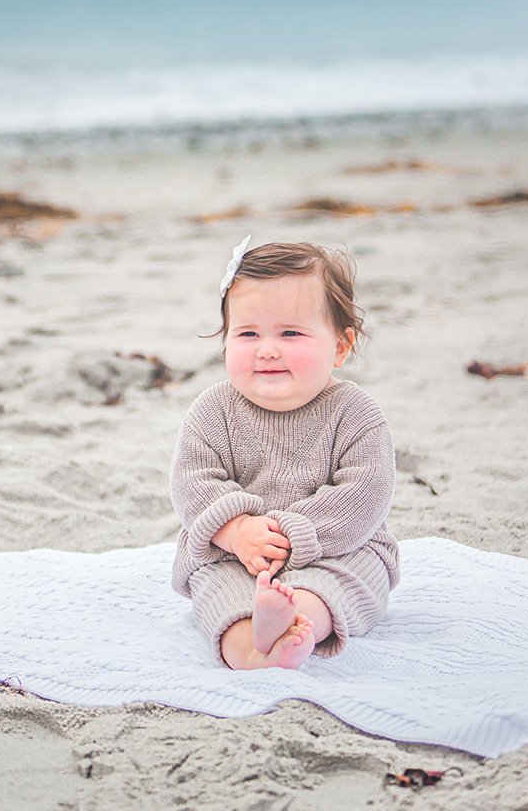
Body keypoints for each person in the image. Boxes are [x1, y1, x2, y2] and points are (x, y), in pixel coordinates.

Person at [169, 238, 399, 669]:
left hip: (336, 548)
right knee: (219, 590)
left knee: (346, 582)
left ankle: (296, 621)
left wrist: (287, 535)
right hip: (233, 553)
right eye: (248, 333)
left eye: (290, 333)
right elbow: (192, 482)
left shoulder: (356, 414)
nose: (267, 349)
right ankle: (250, 648)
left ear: (340, 347)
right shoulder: (212, 410)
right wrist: (237, 531)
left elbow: (363, 496)